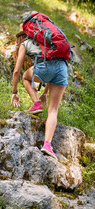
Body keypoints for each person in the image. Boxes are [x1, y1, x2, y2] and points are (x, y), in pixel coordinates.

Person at [11, 22, 68, 161]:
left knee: (25, 76)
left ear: (22, 35)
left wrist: (14, 92)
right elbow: (53, 71)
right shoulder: (46, 40)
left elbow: (17, 70)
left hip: (45, 69)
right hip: (62, 68)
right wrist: (45, 93)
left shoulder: (25, 43)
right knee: (53, 110)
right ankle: (47, 145)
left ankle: (36, 103)